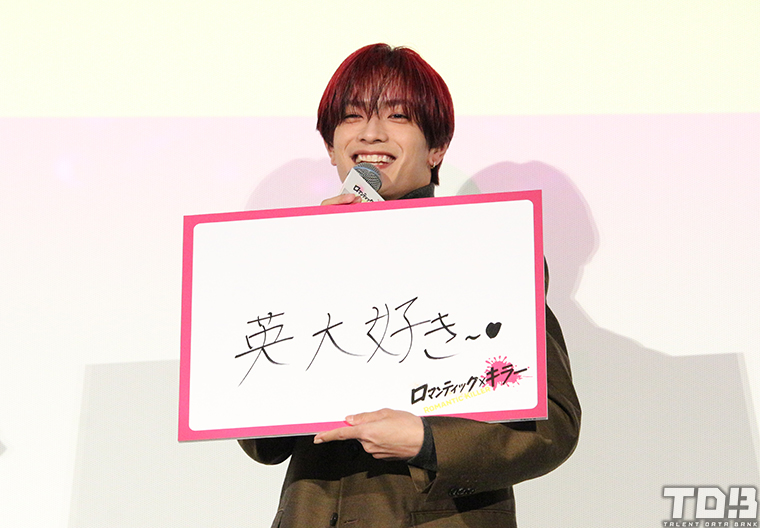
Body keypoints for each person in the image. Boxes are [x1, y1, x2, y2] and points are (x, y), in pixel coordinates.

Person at [239, 43, 581, 528]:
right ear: (331, 145)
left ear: (437, 148)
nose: (371, 132)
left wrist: (428, 441)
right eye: (353, 116)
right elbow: (261, 444)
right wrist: (305, 270)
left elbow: (552, 425)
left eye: (398, 116)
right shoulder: (294, 257)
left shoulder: (485, 252)